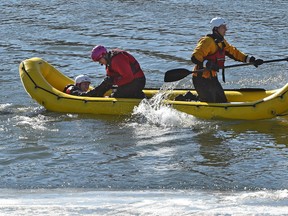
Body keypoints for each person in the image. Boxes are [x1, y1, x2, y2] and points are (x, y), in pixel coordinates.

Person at [191, 17, 264, 103]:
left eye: (225, 26)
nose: (226, 29)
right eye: (223, 27)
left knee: (222, 101)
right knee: (211, 102)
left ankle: (197, 97)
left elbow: (234, 53)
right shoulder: (207, 41)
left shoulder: (222, 42)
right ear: (216, 29)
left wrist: (250, 60)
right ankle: (189, 98)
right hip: (200, 78)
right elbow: (195, 57)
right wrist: (207, 64)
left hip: (212, 77)